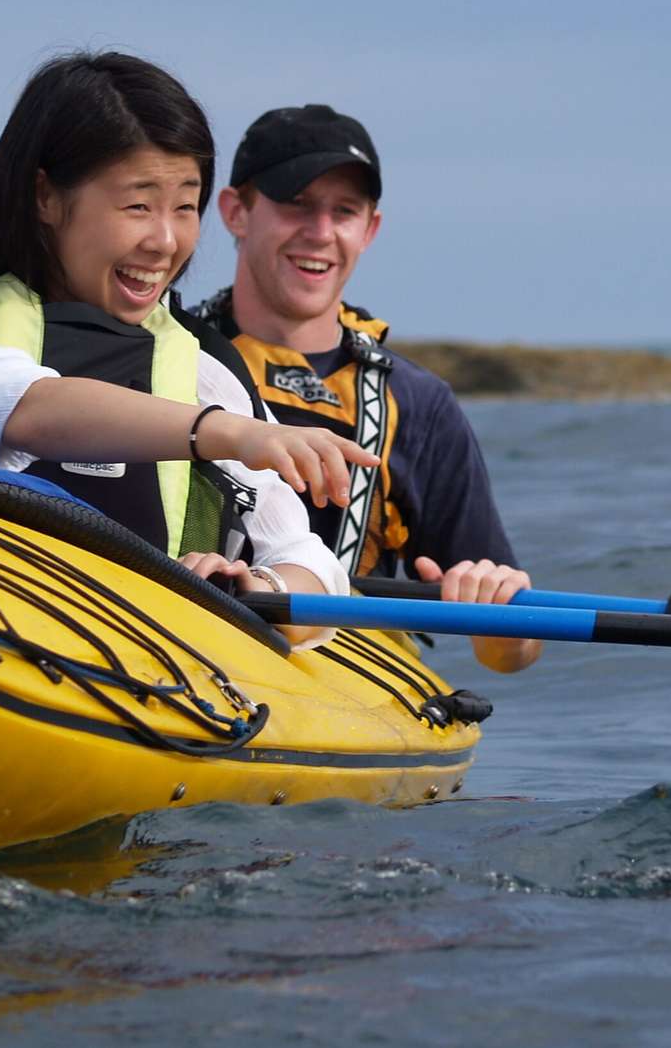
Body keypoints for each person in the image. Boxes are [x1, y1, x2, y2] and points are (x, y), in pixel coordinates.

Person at [0, 53, 374, 645]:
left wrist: (248, 588)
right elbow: (27, 408)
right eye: (138, 204)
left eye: (185, 206)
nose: (164, 241)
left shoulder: (206, 373)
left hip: (142, 675)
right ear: (45, 197)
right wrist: (233, 433)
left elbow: (316, 570)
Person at [195, 105, 541, 674]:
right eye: (296, 204)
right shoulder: (168, 357)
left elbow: (512, 655)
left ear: (370, 229)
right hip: (194, 647)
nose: (321, 233)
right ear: (236, 211)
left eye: (344, 212)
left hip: (351, 685)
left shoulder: (419, 403)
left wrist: (498, 609)